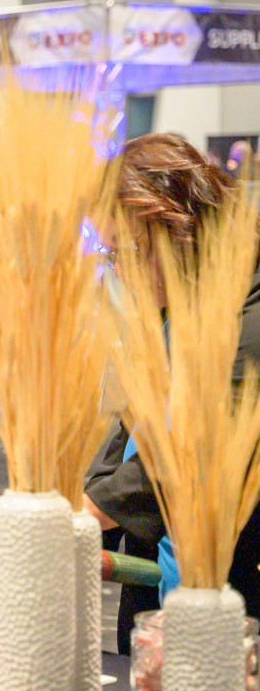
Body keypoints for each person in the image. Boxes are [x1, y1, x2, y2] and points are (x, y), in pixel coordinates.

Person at [84, 132, 260, 648]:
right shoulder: (175, 292)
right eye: (113, 257)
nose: (124, 274)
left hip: (230, 585)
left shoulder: (247, 316)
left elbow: (193, 439)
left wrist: (90, 515)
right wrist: (89, 513)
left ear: (174, 225)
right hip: (158, 574)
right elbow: (131, 423)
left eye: (127, 252)